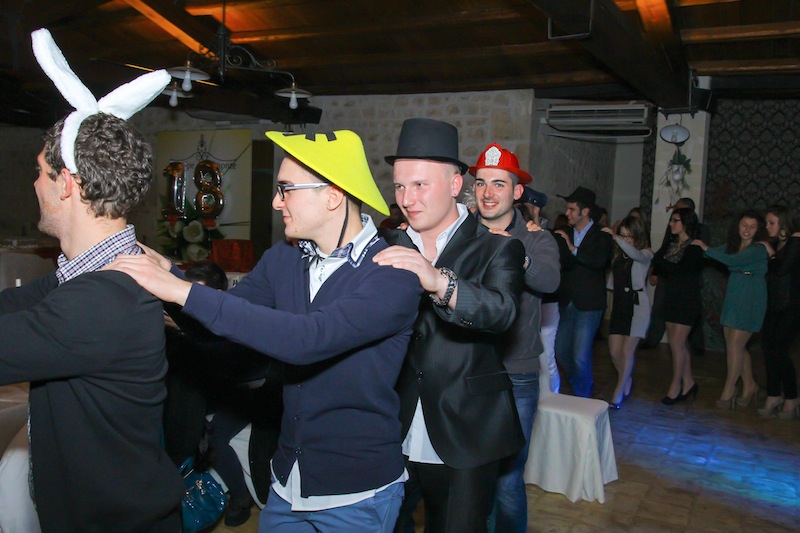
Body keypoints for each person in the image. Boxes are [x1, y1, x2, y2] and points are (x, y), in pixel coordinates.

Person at [110, 130, 424, 532]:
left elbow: (308, 339)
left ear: (332, 196)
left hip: (356, 492)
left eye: (285, 189)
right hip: (287, 482)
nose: (276, 202)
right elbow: (225, 325)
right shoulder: (284, 259)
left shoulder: (393, 272)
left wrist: (181, 290)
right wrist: (168, 277)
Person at [0, 29, 183, 532]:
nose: (34, 183)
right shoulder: (99, 276)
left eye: (40, 171)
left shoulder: (102, 299)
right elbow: (19, 303)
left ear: (67, 183)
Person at [374, 118, 525, 532]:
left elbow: (501, 312)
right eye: (400, 186)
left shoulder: (497, 247)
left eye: (420, 185)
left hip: (467, 428)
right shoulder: (388, 244)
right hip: (393, 423)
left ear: (456, 184)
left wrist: (439, 281)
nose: (407, 199)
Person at [470, 142, 560, 533]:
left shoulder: (537, 239)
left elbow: (550, 281)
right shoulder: (462, 233)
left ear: (517, 191)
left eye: (499, 184)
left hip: (515, 373)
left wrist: (512, 248)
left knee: (507, 478)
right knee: (471, 475)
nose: (488, 192)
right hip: (468, 371)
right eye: (481, 183)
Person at [693, 209, 769, 409]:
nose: (747, 230)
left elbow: (733, 261)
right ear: (738, 226)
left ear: (758, 230)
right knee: (735, 345)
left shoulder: (758, 248)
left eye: (752, 227)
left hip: (751, 297)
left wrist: (706, 248)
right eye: (744, 225)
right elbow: (716, 254)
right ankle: (750, 385)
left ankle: (729, 389)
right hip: (735, 294)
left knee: (735, 345)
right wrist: (694, 247)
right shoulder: (733, 246)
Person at [553, 186, 613, 397]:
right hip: (567, 301)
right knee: (561, 351)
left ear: (585, 211)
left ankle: (583, 396)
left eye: (572, 209)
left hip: (589, 304)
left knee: (580, 356)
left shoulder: (602, 235)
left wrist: (573, 249)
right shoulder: (565, 232)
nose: (567, 213)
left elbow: (598, 262)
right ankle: (580, 382)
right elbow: (561, 262)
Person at [652, 208, 703, 405]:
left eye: (675, 220)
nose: (671, 224)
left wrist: (662, 262)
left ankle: (675, 387)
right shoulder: (672, 243)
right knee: (678, 344)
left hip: (686, 300)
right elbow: (658, 260)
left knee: (676, 344)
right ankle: (689, 383)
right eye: (671, 220)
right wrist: (661, 262)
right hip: (672, 298)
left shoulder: (694, 247)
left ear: (685, 223)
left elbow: (679, 271)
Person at [601, 216, 653, 408]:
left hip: (637, 306)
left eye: (629, 236)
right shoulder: (618, 255)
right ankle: (626, 378)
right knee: (614, 352)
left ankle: (619, 390)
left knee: (626, 351)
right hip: (620, 304)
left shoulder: (646, 253)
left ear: (637, 236)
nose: (625, 239)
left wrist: (616, 238)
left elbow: (636, 255)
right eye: (623, 235)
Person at [759, 205, 800, 419]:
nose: (767, 227)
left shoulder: (796, 240)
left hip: (792, 306)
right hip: (775, 304)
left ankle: (792, 397)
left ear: (783, 223)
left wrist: (771, 253)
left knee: (779, 350)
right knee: (768, 348)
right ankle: (773, 394)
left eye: (771, 223)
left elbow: (782, 269)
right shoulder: (778, 243)